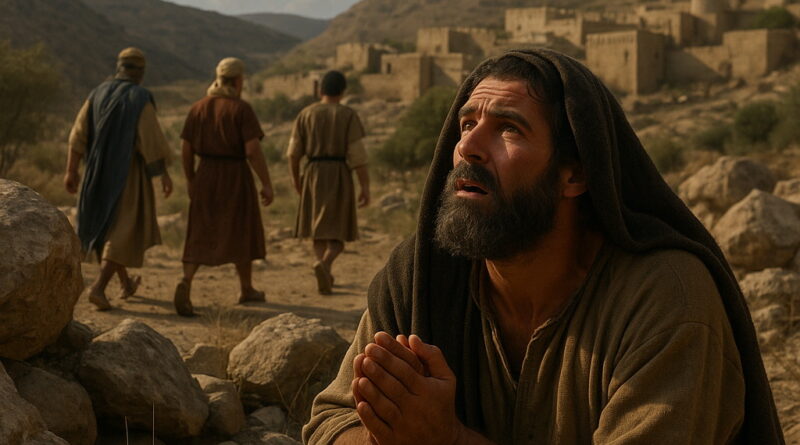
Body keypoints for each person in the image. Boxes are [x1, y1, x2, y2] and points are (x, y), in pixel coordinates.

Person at [303, 50, 783, 444]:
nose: (469, 146)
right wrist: (383, 433)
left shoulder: (664, 299)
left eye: (508, 128)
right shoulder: (421, 278)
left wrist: (446, 439)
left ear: (574, 173)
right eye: (467, 123)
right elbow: (328, 423)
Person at [64, 47, 173, 311]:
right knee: (122, 231)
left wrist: (72, 170)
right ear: (141, 72)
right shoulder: (139, 97)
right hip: (126, 175)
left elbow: (77, 135)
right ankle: (99, 288)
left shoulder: (96, 93)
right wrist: (163, 173)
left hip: (95, 172)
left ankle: (125, 284)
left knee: (107, 227)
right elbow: (151, 140)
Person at [175, 57, 274, 316]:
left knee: (200, 229)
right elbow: (252, 150)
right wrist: (266, 182)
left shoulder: (198, 108)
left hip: (205, 174)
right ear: (239, 80)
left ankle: (186, 281)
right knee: (241, 228)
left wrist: (190, 177)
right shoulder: (240, 109)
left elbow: (185, 149)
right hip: (235, 175)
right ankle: (246, 287)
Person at [288, 70, 370, 295]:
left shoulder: (305, 114)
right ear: (343, 91)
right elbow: (358, 156)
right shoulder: (347, 115)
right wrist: (365, 186)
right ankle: (325, 265)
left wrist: (297, 181)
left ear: (319, 89)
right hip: (339, 175)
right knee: (338, 234)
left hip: (313, 174)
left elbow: (293, 154)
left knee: (318, 231)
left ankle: (323, 267)